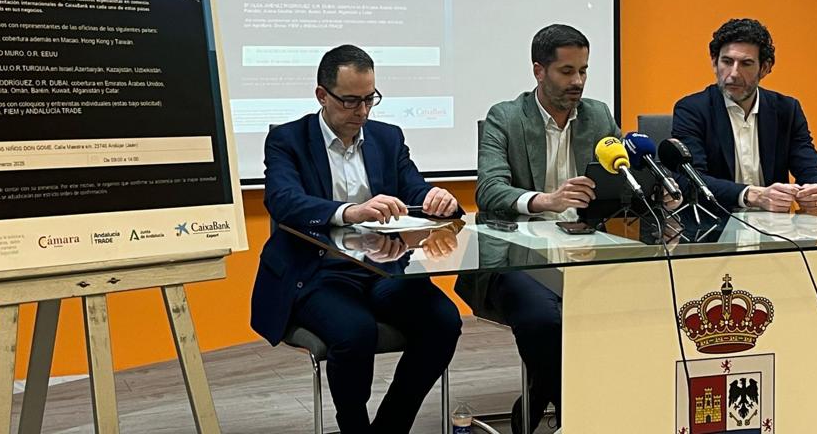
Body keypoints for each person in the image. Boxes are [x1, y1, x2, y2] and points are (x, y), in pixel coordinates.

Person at [249, 45, 462, 434]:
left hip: (383, 268)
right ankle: (353, 427)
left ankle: (391, 426)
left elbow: (413, 186)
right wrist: (349, 211)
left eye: (370, 99)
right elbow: (283, 201)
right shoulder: (288, 140)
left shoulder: (387, 137)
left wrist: (436, 197)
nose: (362, 112)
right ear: (322, 95)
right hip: (317, 272)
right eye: (350, 101)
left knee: (443, 322)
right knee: (355, 333)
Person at [457, 24, 620, 434]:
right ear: (538, 71)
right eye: (567, 71)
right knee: (545, 320)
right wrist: (545, 200)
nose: (578, 82)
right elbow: (490, 191)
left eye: (583, 70)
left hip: (584, 252)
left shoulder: (598, 115)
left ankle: (535, 402)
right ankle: (578, 414)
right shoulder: (506, 117)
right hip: (515, 256)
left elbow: (623, 178)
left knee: (631, 306)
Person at [672, 18, 817, 214]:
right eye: (726, 61)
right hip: (714, 227)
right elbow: (690, 180)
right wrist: (751, 195)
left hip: (775, 231)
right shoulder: (692, 109)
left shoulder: (786, 110)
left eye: (746, 64)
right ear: (715, 63)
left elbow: (811, 166)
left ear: (765, 68)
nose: (733, 73)